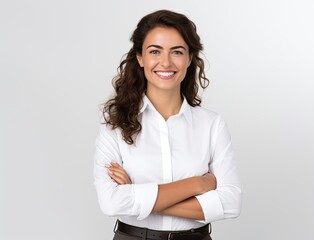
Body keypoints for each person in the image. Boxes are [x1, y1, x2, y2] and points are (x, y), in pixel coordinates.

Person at [94, 9, 242, 240]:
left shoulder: (212, 124)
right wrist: (195, 184)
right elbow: (111, 203)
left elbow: (231, 203)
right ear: (140, 58)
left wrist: (135, 193)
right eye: (155, 51)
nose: (166, 62)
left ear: (189, 58)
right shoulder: (115, 125)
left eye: (177, 52)